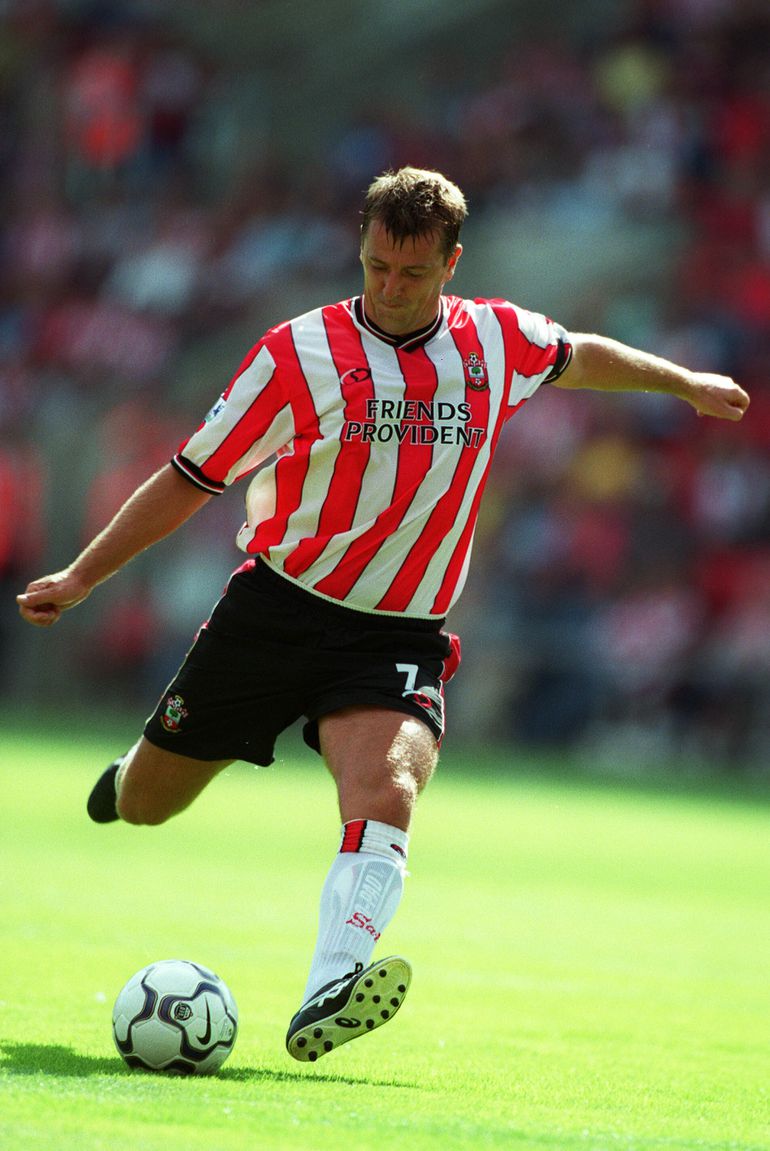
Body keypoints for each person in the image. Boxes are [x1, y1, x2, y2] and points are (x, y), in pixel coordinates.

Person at [17, 167, 750, 1063]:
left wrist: (684, 383)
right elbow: (190, 477)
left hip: (398, 633)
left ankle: (331, 986)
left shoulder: (495, 338)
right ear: (361, 250)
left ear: (452, 264)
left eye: (413, 273)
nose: (391, 289)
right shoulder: (296, 353)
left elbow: (578, 354)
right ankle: (134, 769)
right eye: (376, 267)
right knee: (145, 807)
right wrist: (83, 575)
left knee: (389, 787)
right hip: (276, 608)